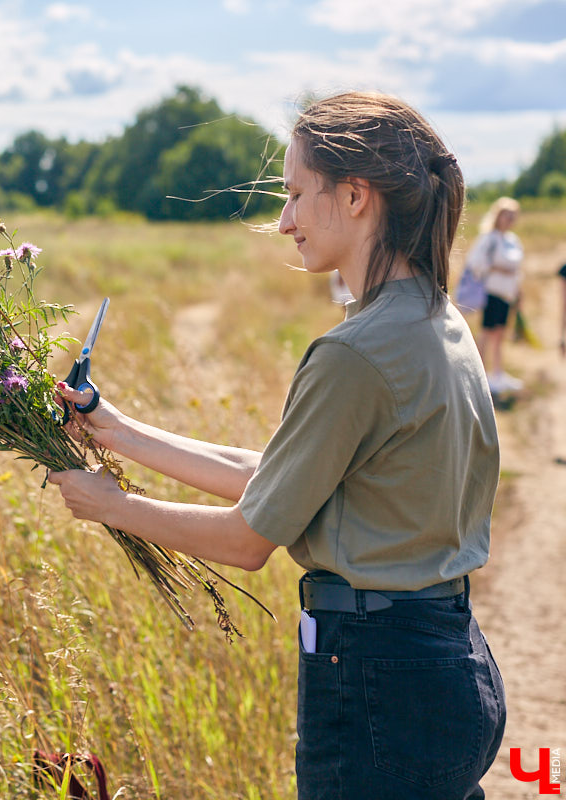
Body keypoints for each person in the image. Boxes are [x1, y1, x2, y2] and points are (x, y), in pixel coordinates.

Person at [47, 92, 505, 799]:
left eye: (295, 194)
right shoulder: (435, 321)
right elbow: (282, 480)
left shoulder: (355, 352)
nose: (284, 221)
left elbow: (248, 538)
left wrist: (112, 506)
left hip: (377, 683)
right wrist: (117, 429)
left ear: (355, 196)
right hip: (448, 665)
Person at [467, 197, 524, 393]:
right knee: (486, 333)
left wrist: (518, 292)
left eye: (513, 216)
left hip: (507, 294)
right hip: (492, 293)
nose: (510, 219)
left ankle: (498, 374)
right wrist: (499, 269)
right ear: (498, 216)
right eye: (507, 215)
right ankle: (480, 376)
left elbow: (517, 270)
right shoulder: (488, 239)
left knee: (500, 334)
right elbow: (475, 263)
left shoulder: (512, 240)